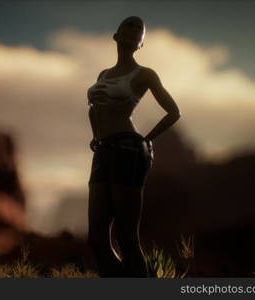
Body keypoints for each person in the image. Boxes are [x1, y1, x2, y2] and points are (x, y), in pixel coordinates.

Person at [87, 16, 181, 277]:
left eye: (139, 28)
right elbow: (94, 109)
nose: (134, 27)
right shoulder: (103, 74)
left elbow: (174, 112)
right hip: (104, 151)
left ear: (141, 44)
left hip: (128, 151)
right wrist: (96, 135)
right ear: (115, 36)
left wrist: (146, 138)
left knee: (127, 237)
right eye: (129, 24)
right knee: (96, 238)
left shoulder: (145, 74)